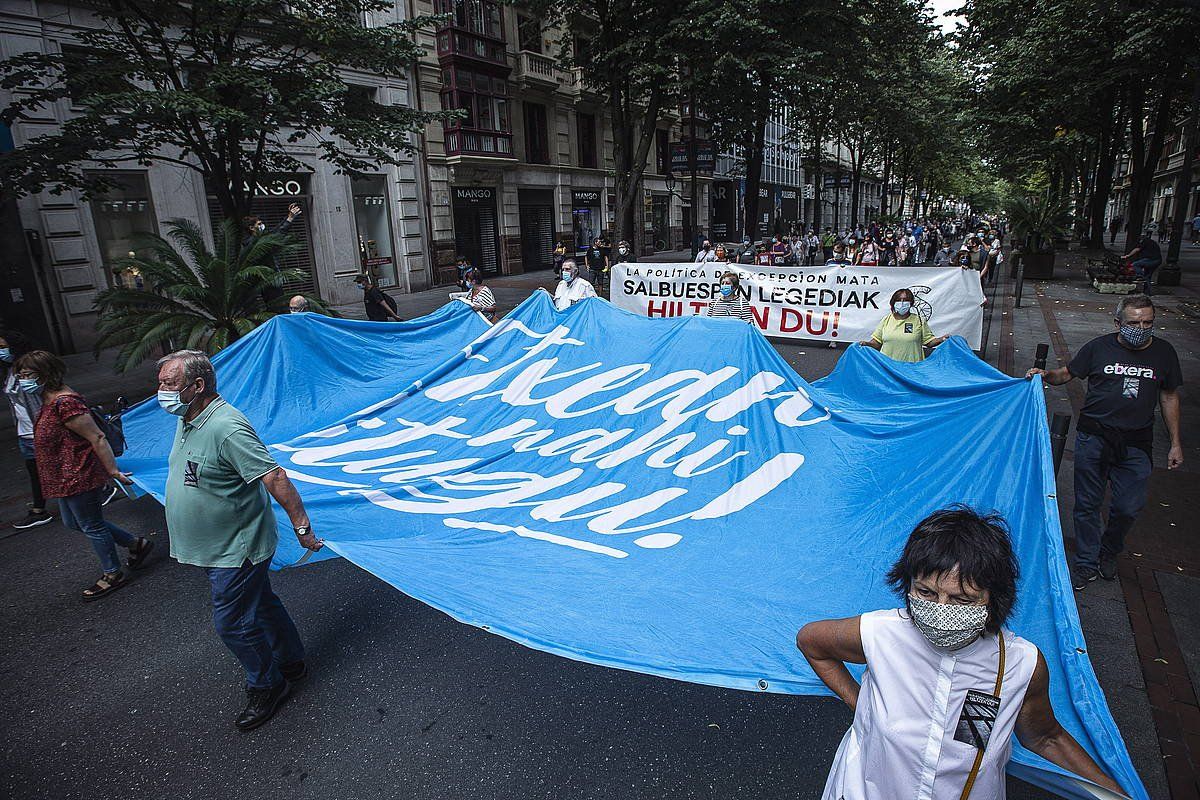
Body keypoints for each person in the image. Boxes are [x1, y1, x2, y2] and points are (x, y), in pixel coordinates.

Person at [797, 507, 1127, 800]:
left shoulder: (1018, 665)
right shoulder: (880, 634)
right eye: (925, 592)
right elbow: (812, 643)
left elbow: (1046, 737)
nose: (940, 610)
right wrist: (863, 707)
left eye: (961, 599)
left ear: (994, 599)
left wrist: (1114, 794)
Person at [156, 350, 321, 730]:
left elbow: (274, 477)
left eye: (169, 383)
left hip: (236, 549)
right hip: (216, 545)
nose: (161, 391)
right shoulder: (190, 416)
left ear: (197, 386)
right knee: (260, 603)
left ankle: (267, 684)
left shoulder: (226, 427)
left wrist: (302, 529)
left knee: (232, 623)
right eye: (161, 382)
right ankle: (291, 660)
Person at [1027, 295, 1183, 589]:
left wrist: (1176, 442)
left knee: (1128, 506)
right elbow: (1068, 373)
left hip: (1136, 442)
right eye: (1134, 322)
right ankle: (1086, 562)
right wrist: (1045, 375)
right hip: (1094, 437)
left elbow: (1169, 396)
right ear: (1118, 323)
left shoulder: (1164, 353)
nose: (1141, 327)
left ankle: (1109, 550)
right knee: (1086, 503)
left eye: (1148, 322)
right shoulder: (1098, 348)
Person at [14, 350, 152, 600]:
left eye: (28, 375)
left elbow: (96, 437)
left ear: (46, 374)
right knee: (74, 522)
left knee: (91, 524)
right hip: (64, 477)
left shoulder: (65, 403)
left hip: (79, 475)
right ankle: (135, 543)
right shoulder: (48, 399)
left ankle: (112, 573)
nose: (23, 380)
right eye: (21, 375)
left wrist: (113, 471)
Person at [1, 330, 53, 529]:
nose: (1, 352)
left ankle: (99, 489)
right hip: (25, 432)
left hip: (37, 431)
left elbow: (38, 402)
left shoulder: (27, 371)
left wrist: (44, 427)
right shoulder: (11, 371)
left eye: (3, 347)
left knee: (53, 467)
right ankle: (39, 510)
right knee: (36, 471)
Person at [860, 288, 948, 363]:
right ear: (893, 303)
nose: (902, 303)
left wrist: (942, 339)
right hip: (888, 368)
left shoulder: (919, 320)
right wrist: (866, 344)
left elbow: (929, 342)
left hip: (912, 368)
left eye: (906, 300)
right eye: (899, 300)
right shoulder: (886, 320)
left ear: (911, 303)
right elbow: (876, 342)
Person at [244, 203, 302, 305]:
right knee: (276, 304)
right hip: (268, 280)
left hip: (271, 278)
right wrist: (290, 218)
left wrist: (289, 217)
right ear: (251, 228)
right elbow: (278, 233)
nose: (262, 226)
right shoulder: (254, 243)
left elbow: (276, 230)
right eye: (259, 224)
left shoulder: (260, 238)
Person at [1122, 231, 1163, 296]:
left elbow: (1137, 249)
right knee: (1148, 276)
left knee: (1135, 264)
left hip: (1151, 259)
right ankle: (1147, 292)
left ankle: (1140, 276)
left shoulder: (1144, 241)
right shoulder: (1151, 242)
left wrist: (1128, 256)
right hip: (1157, 260)